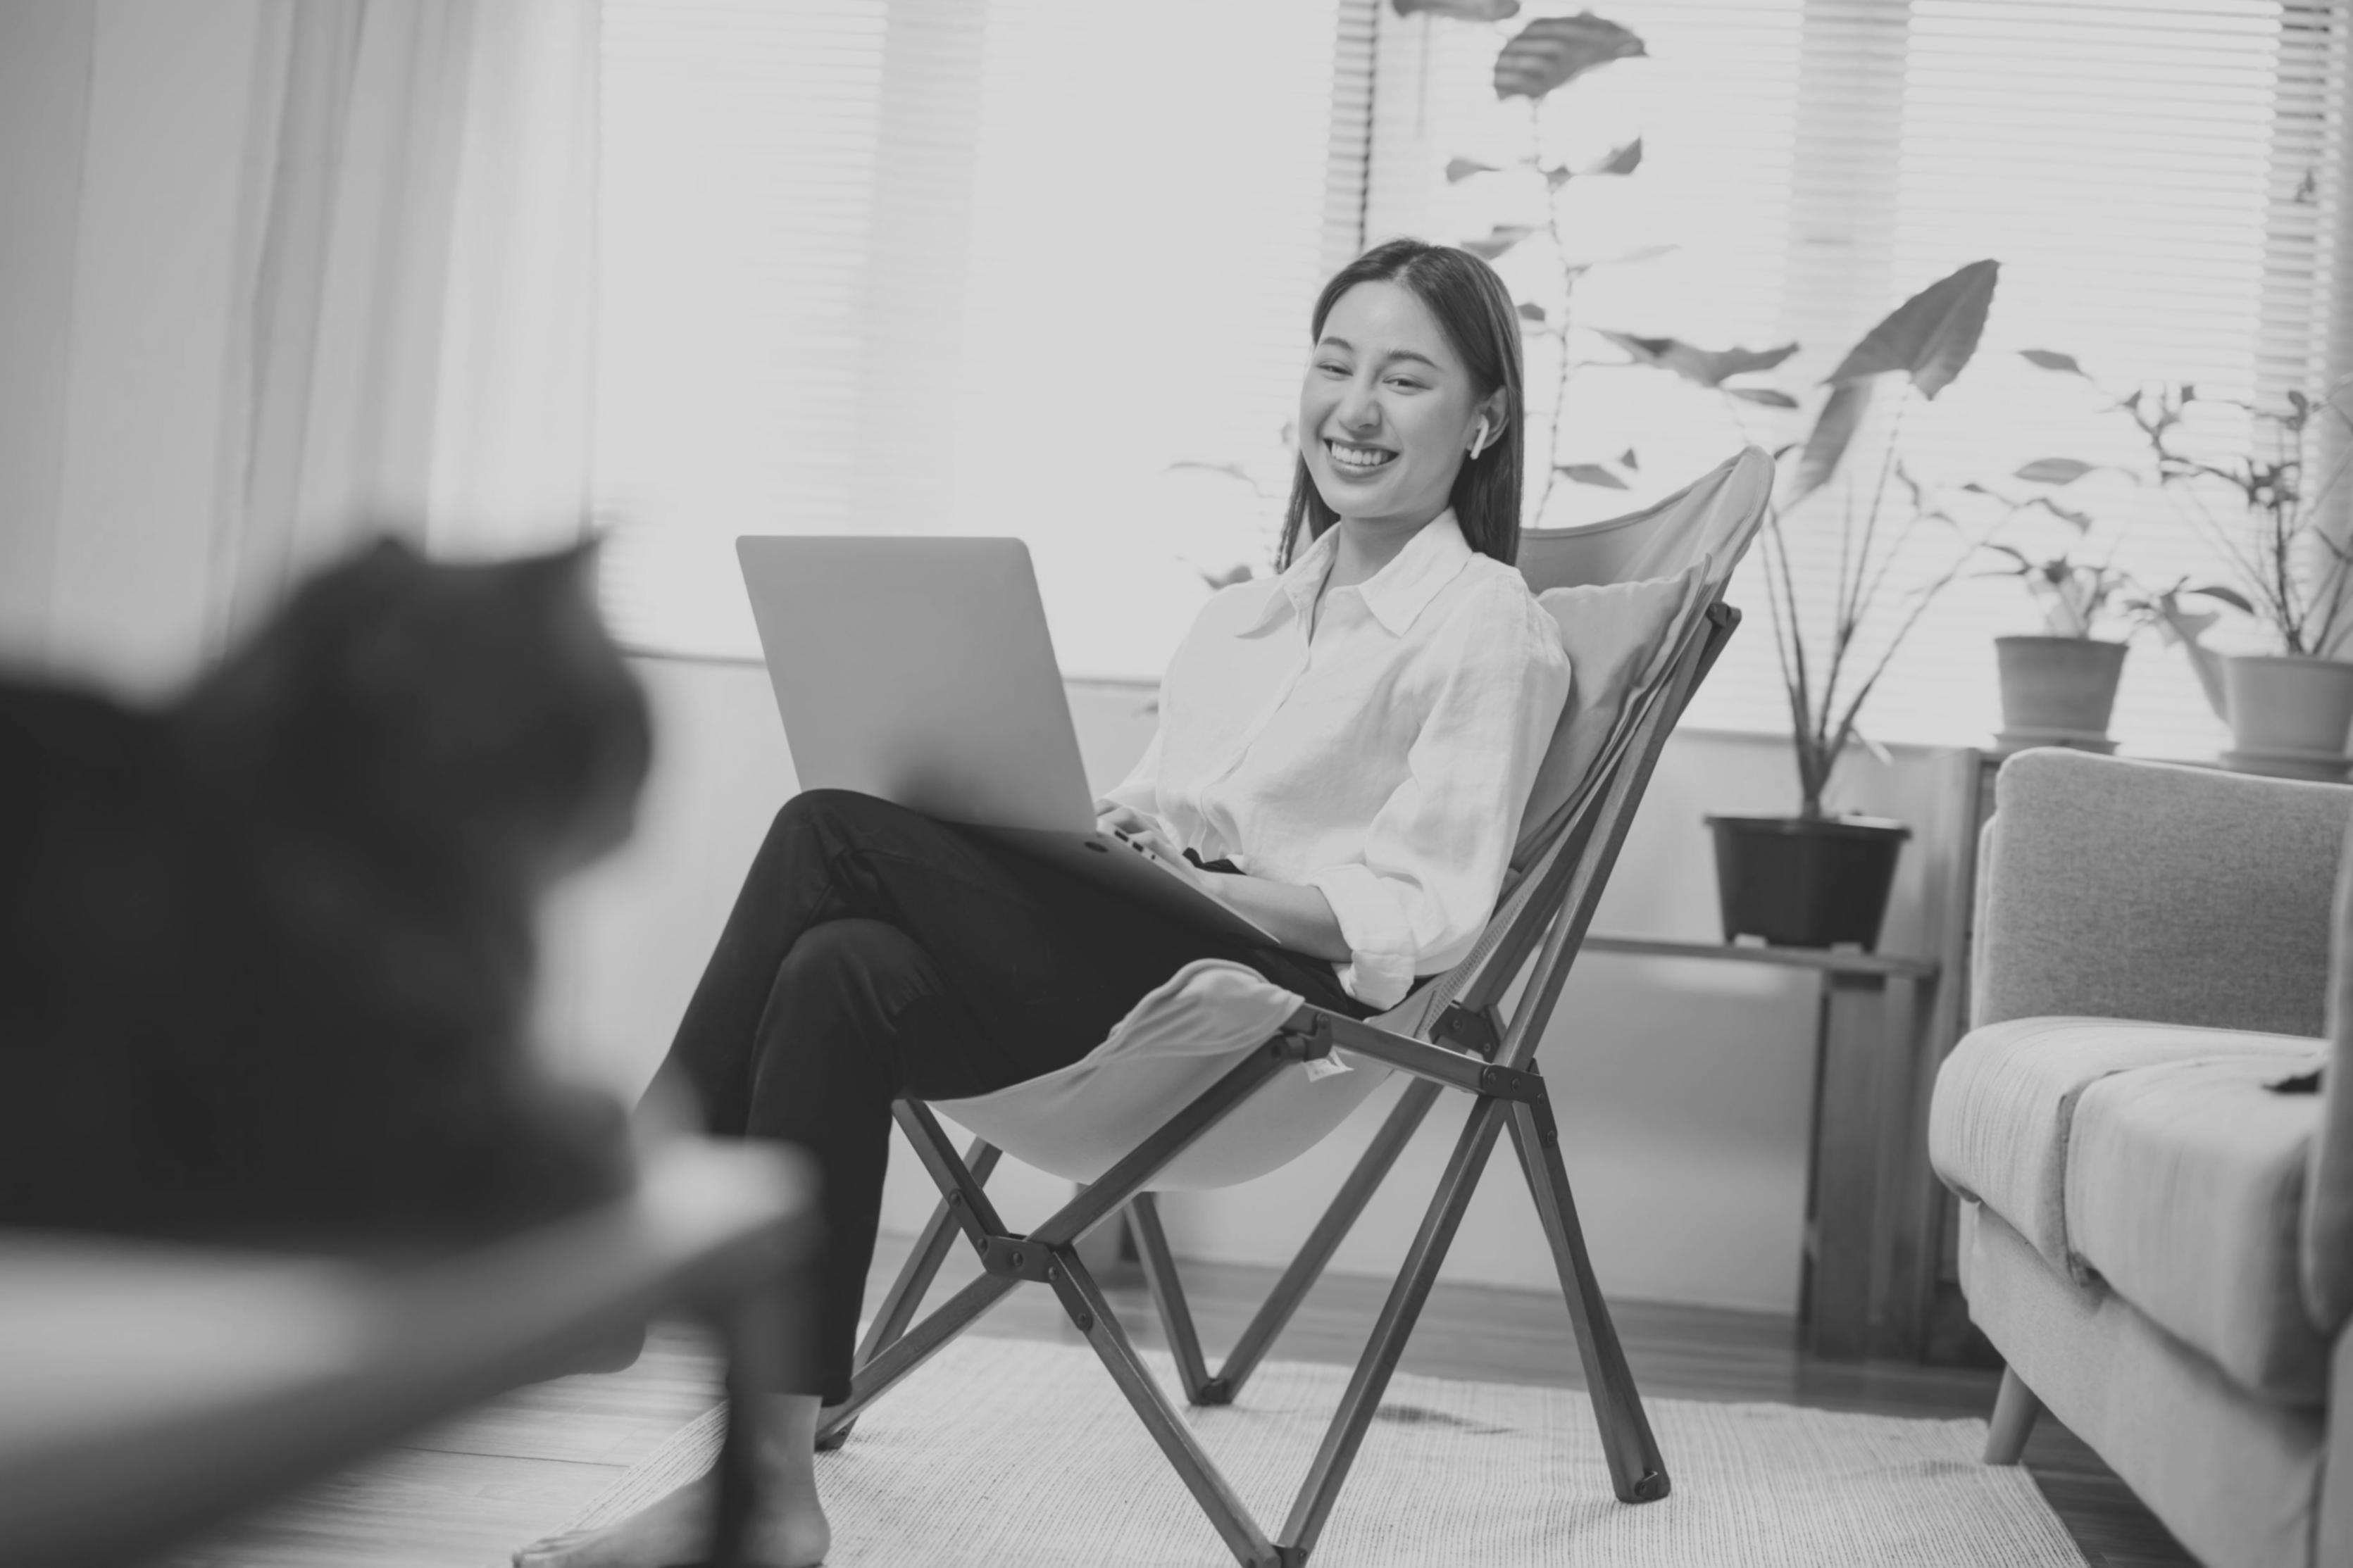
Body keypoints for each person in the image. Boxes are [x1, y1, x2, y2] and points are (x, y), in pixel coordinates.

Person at [513, 237, 1572, 1568]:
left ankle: (622, 1225)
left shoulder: (1486, 622)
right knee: (835, 969)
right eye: (1333, 365)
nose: (1354, 409)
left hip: (1257, 1001)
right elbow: (1172, 805)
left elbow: (1425, 914)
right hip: (1129, 957)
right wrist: (1140, 835)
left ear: (1480, 423)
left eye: (1405, 379)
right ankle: (766, 1496)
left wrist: (1207, 887)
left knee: (824, 830)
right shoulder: (1238, 622)